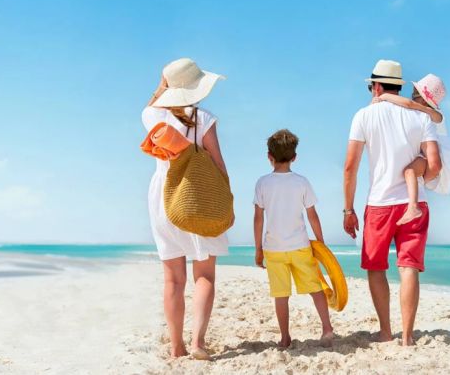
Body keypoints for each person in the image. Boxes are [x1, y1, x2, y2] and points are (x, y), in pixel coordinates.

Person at [342, 59, 442, 346]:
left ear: (376, 87)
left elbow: (350, 167)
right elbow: (434, 165)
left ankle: (386, 332)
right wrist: (418, 172)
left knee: (376, 267)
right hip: (415, 203)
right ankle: (408, 336)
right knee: (408, 267)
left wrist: (348, 210)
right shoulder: (422, 117)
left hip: (379, 204)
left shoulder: (364, 116)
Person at [142, 57, 232, 360]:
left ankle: (176, 346)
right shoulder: (204, 119)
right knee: (204, 274)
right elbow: (218, 162)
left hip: (165, 197)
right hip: (199, 196)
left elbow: (151, 103)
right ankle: (197, 344)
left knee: (173, 279)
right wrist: (226, 197)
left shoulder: (152, 116)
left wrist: (162, 85)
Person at [253, 129, 334, 348]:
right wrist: (321, 243)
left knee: (281, 295)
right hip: (300, 245)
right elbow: (312, 215)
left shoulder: (262, 183)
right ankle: (327, 328)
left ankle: (285, 337)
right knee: (315, 287)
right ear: (294, 157)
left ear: (269, 156)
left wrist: (258, 249)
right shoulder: (302, 182)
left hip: (273, 248)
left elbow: (258, 218)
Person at [373, 73, 450, 225]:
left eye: (414, 94)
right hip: (428, 158)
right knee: (410, 172)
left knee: (409, 171)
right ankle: (413, 207)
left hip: (436, 161)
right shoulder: (422, 115)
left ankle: (413, 207)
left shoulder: (437, 116)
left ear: (423, 98)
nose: (411, 97)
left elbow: (409, 105)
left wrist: (384, 97)